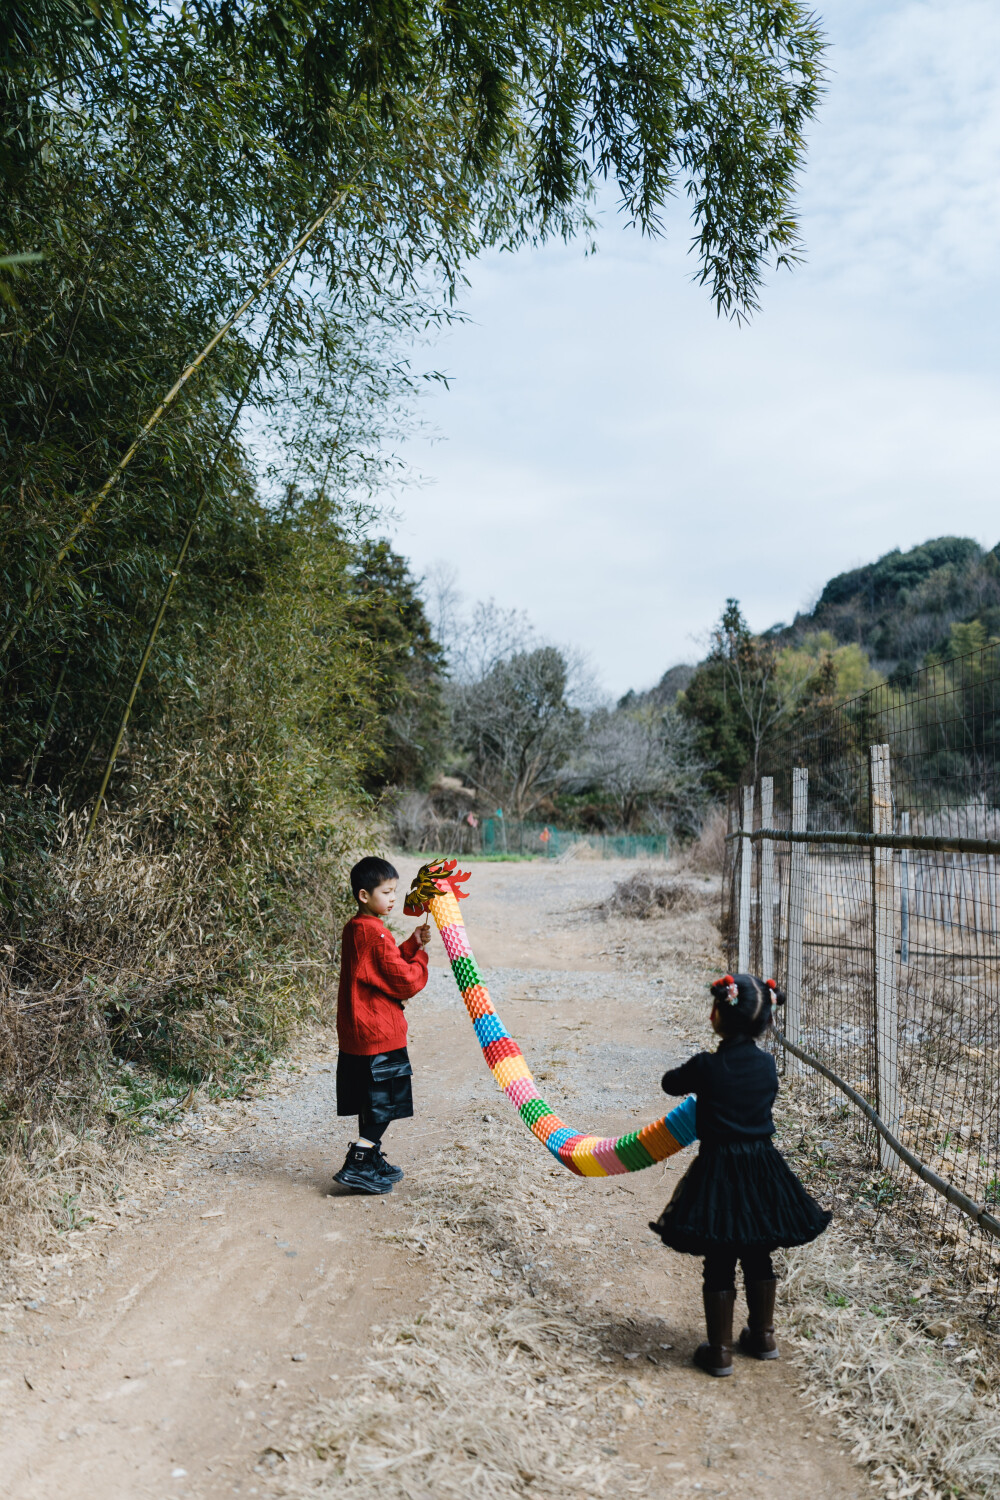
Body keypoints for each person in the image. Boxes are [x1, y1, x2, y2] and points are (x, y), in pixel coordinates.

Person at [649, 973, 831, 1377]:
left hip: (718, 1171)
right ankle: (763, 1336)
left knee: (719, 1256)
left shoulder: (706, 1067)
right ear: (765, 1021)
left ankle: (719, 1351)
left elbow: (669, 1084)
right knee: (757, 1251)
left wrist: (699, 1082)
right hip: (763, 1170)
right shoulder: (767, 1066)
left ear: (717, 1015)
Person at [332, 856, 431, 1195]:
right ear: (363, 895)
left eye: (394, 891)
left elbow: (378, 967)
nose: (392, 898)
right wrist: (420, 957)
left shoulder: (356, 928)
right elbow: (403, 981)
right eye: (386, 892)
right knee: (384, 1102)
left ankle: (370, 1156)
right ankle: (359, 1160)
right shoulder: (375, 933)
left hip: (358, 1030)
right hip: (379, 1032)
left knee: (370, 1100)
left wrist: (412, 943)